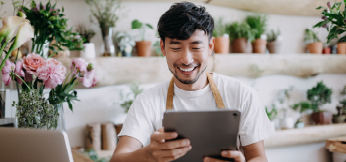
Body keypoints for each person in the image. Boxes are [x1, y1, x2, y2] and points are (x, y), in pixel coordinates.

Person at [110, 2, 274, 162]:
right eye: (175, 48)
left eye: (196, 47)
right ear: (162, 48)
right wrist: (148, 155)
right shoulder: (147, 101)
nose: (186, 60)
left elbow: (258, 157)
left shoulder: (242, 94)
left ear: (210, 46)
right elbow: (117, 159)